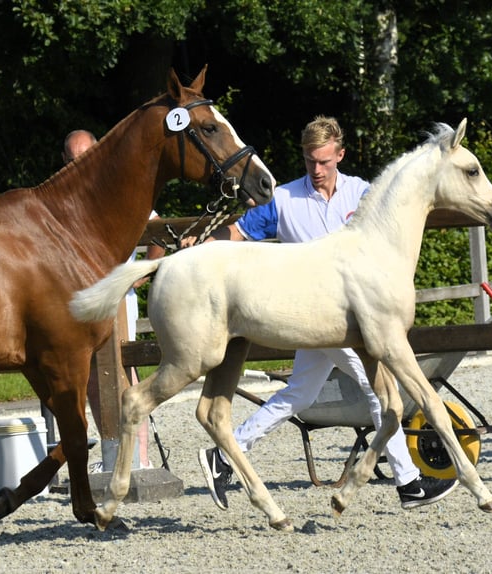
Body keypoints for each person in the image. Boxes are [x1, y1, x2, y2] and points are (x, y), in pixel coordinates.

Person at [193, 116, 458, 511]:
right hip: (312, 315)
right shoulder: (282, 199)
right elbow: (236, 235)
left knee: (300, 394)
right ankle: (409, 482)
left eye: (323, 162)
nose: (316, 170)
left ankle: (226, 453)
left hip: (352, 317)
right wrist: (196, 246)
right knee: (377, 391)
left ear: (340, 155)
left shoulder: (365, 195)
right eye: (309, 161)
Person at [62, 130, 165, 470]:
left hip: (119, 299)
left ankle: (141, 460)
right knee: (91, 378)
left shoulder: (122, 191)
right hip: (79, 299)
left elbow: (158, 234)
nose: (81, 164)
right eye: (74, 159)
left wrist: (140, 275)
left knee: (127, 377)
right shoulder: (62, 199)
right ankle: (111, 457)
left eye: (86, 157)